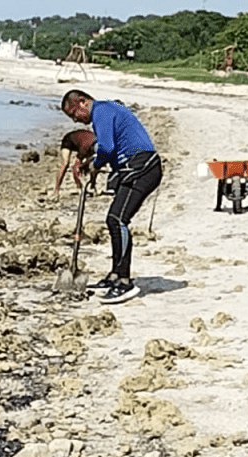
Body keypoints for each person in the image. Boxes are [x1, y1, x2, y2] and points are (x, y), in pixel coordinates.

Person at [61, 89, 162, 304]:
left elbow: (107, 147)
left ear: (82, 102)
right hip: (132, 167)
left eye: (73, 114)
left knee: (117, 219)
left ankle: (125, 282)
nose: (75, 120)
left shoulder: (102, 111)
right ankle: (115, 275)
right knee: (114, 219)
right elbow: (105, 148)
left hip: (143, 166)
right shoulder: (107, 110)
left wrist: (95, 166)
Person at [53, 129, 96, 196]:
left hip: (83, 141)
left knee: (93, 166)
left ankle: (92, 186)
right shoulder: (85, 147)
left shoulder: (98, 146)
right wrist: (79, 184)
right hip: (69, 140)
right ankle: (56, 190)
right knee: (65, 163)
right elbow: (74, 166)